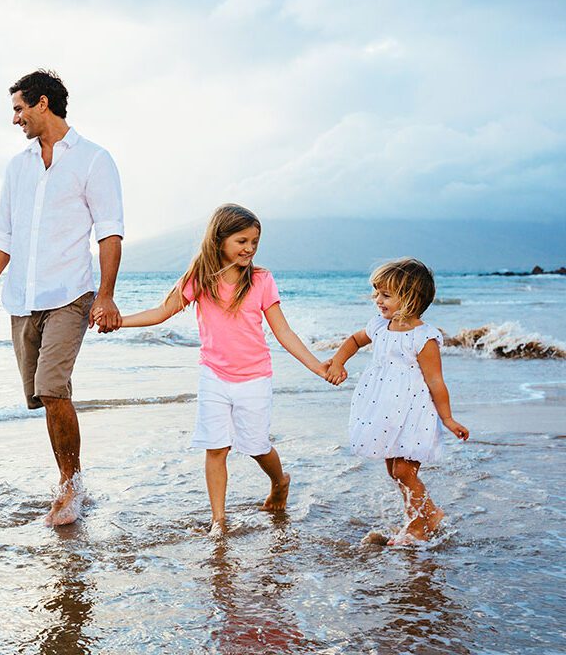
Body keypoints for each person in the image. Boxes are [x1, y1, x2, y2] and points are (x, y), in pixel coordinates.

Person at [0, 69, 124, 526]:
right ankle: (68, 476)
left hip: (70, 293)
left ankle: (70, 486)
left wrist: (107, 296)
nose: (15, 119)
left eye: (19, 108)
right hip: (22, 298)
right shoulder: (17, 167)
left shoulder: (94, 160)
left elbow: (110, 232)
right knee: (39, 396)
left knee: (52, 386)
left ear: (42, 104)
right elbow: (4, 234)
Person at [119, 204, 328, 534]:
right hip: (214, 374)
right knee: (216, 448)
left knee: (257, 447)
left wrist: (317, 366)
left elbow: (283, 332)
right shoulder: (199, 279)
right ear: (219, 240)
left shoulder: (260, 280)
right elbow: (162, 312)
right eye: (242, 241)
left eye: (254, 242)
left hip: (255, 376)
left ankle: (279, 481)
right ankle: (219, 521)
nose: (249, 249)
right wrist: (119, 322)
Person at [323, 258, 469, 544]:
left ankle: (423, 520)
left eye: (385, 294)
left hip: (412, 412)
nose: (377, 300)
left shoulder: (423, 338)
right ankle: (418, 516)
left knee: (404, 469)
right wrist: (338, 362)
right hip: (384, 410)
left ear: (410, 298)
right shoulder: (380, 326)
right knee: (394, 470)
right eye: (377, 293)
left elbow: (436, 382)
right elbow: (354, 340)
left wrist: (448, 419)